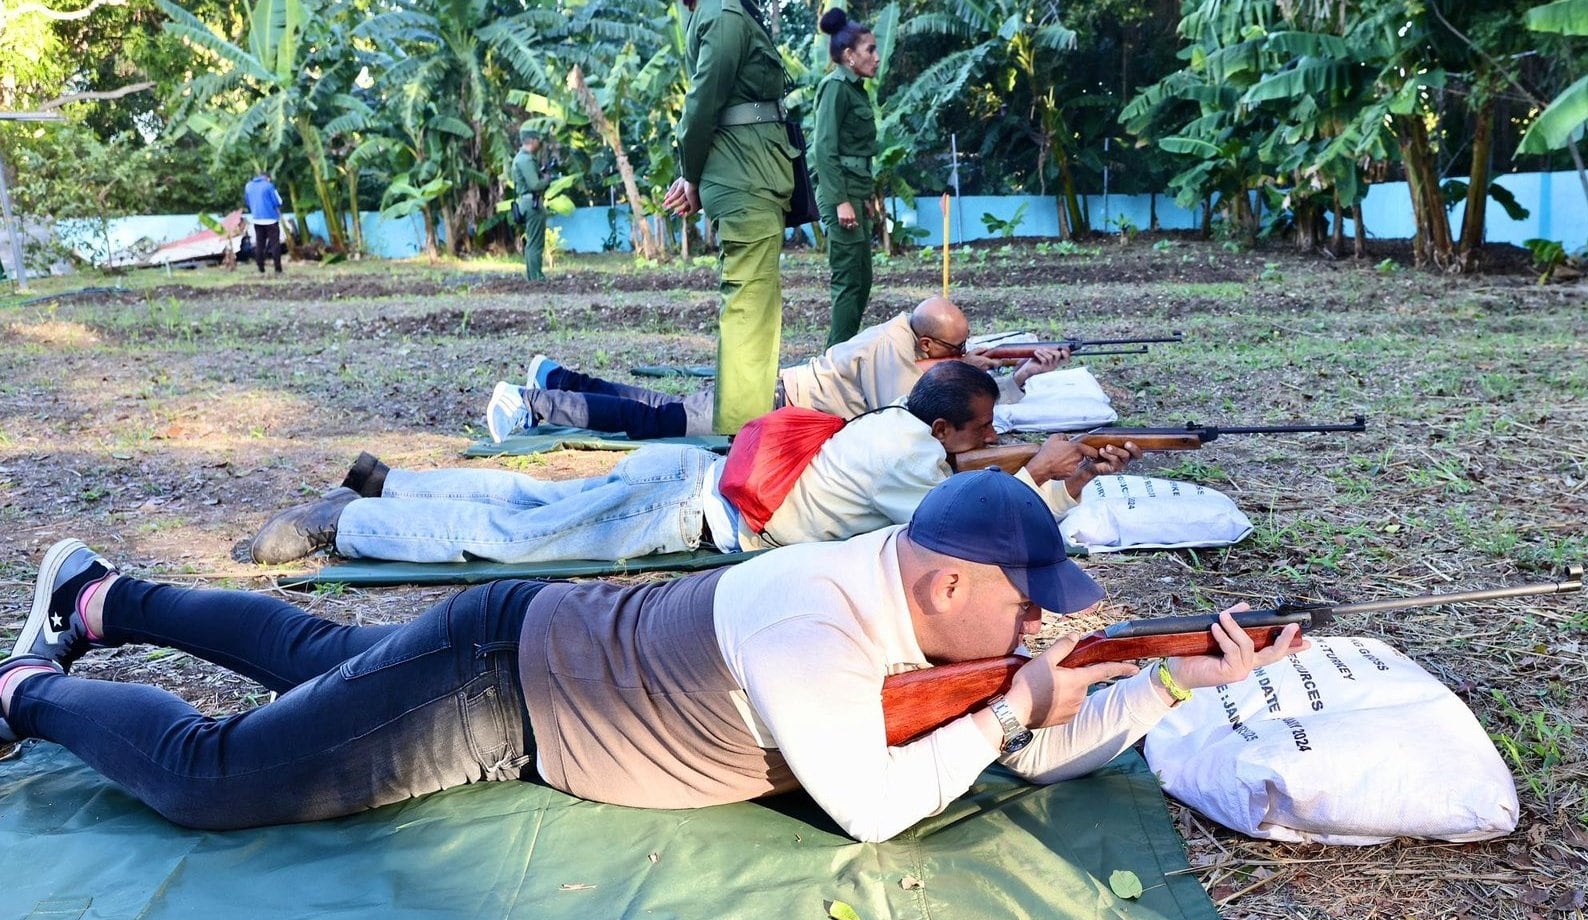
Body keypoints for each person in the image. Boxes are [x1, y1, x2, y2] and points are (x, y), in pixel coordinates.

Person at [0, 473, 1302, 842]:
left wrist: (1175, 677)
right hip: (501, 689)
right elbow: (879, 809)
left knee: (309, 651)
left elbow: (1026, 738)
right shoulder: (819, 627)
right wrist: (1016, 702)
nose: (1038, 627)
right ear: (949, 579)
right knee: (220, 780)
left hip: (532, 646)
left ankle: (105, 594)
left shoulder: (937, 623)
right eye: (1026, 606)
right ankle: (31, 690)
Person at [255, 361, 1132, 565]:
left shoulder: (897, 427)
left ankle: (387, 483)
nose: (988, 441)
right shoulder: (919, 461)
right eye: (980, 431)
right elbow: (979, 523)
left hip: (687, 478)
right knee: (512, 541)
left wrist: (1066, 471)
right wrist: (1050, 472)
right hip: (689, 514)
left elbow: (982, 480)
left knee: (531, 494)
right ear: (946, 428)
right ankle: (355, 522)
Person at [485, 296, 1069, 442]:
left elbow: (946, 370)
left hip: (774, 394)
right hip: (772, 404)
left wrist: (1009, 373)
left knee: (655, 405)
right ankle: (531, 405)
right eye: (955, 349)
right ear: (928, 345)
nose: (961, 355)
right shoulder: (895, 355)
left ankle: (555, 379)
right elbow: (919, 416)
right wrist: (1002, 384)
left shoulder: (910, 335)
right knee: (652, 421)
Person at [664, 0, 796, 434]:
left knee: (756, 307)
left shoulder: (716, 14)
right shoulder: (724, 15)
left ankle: (747, 427)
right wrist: (691, 173)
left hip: (747, 173)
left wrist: (695, 175)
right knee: (748, 308)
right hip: (746, 176)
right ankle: (739, 438)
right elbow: (701, 103)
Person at [812, 8, 880, 346]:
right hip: (840, 195)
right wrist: (841, 201)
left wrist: (863, 198)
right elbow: (824, 150)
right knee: (848, 283)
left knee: (862, 279)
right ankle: (832, 362)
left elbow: (856, 150)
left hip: (854, 193)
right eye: (870, 50)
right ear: (849, 55)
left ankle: (843, 354)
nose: (877, 57)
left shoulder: (855, 89)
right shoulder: (835, 87)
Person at [512, 132, 548, 283]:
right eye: (538, 141)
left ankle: (532, 277)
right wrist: (546, 179)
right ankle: (536, 278)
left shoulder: (519, 158)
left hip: (525, 203)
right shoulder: (526, 160)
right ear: (532, 141)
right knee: (535, 244)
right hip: (532, 203)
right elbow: (535, 184)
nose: (539, 144)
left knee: (532, 242)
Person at [243, 172, 283, 274]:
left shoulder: (248, 186)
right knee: (275, 244)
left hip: (257, 219)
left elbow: (247, 202)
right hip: (271, 219)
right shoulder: (269, 186)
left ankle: (260, 268)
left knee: (260, 244)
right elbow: (277, 201)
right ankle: (277, 268)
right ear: (267, 178)